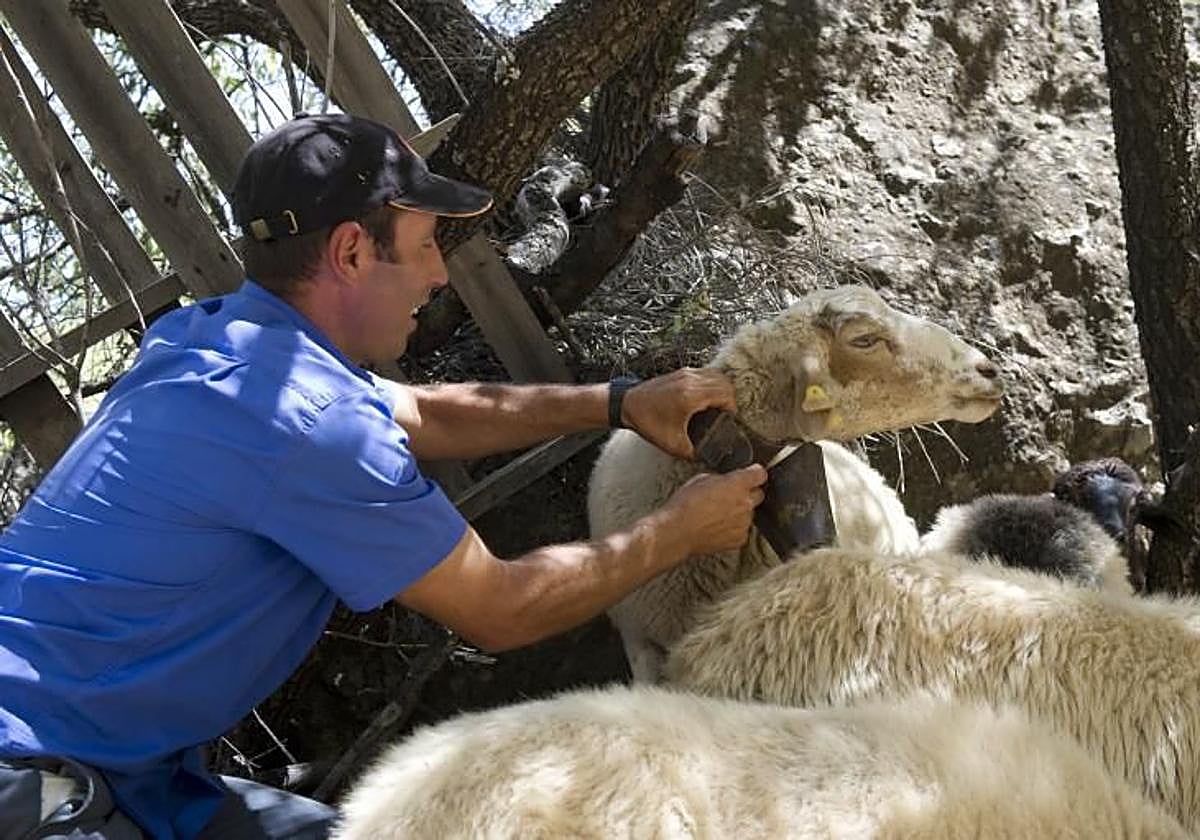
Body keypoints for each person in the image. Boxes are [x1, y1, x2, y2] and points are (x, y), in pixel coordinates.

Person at [0, 113, 767, 839]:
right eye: (426, 245)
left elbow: (426, 414)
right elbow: (501, 608)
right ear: (351, 253)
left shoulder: (211, 343)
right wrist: (678, 532)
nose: (439, 274)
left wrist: (621, 402)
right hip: (35, 785)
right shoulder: (307, 422)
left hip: (115, 762)